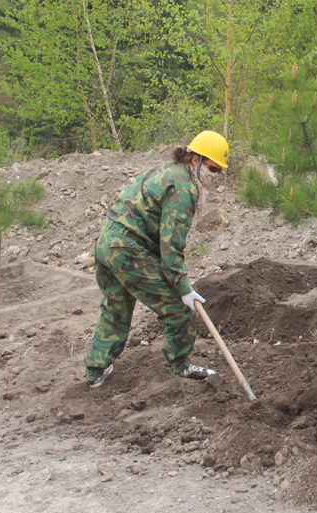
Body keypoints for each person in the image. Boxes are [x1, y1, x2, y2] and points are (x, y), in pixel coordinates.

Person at [84, 131, 230, 388]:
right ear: (195, 159)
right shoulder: (183, 189)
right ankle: (181, 368)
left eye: (219, 170)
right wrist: (183, 288)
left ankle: (96, 371)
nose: (215, 175)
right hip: (128, 250)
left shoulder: (168, 170)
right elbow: (171, 247)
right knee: (180, 310)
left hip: (107, 243)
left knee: (116, 306)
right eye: (212, 168)